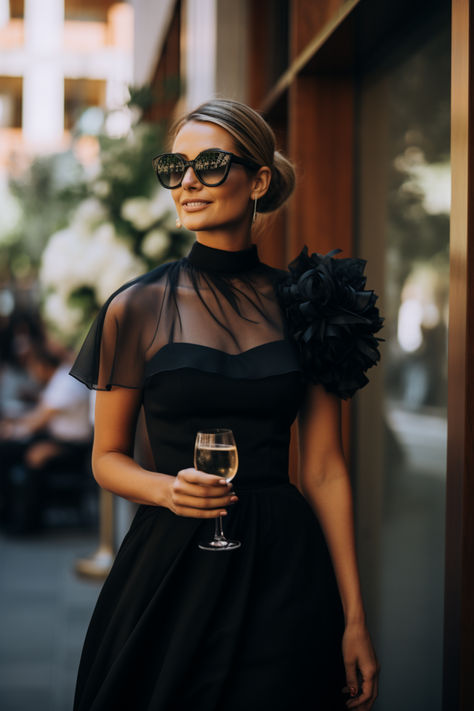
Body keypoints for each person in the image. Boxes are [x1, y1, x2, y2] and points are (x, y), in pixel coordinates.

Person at [70, 98, 381, 710]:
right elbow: (106, 457)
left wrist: (354, 617)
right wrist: (165, 489)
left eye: (209, 164)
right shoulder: (134, 309)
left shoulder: (311, 306)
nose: (187, 182)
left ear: (258, 180)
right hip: (172, 566)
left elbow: (323, 469)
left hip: (284, 570)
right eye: (174, 167)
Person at [0, 341, 92, 530]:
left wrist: (11, 430)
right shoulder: (61, 379)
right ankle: (12, 514)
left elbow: (37, 421)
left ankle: (25, 522)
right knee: (11, 452)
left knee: (24, 455)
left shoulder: (65, 382)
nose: (32, 374)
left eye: (33, 367)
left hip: (73, 447)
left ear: (42, 365)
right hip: (61, 440)